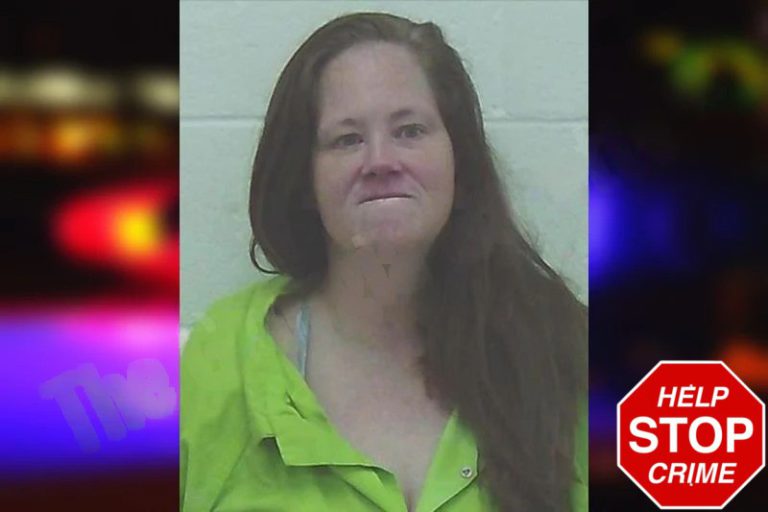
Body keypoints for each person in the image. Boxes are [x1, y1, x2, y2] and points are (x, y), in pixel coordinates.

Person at [181, 12, 587, 512]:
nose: (380, 161)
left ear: (459, 162)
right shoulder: (216, 367)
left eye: (410, 130)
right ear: (304, 182)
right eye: (347, 139)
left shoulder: (566, 349)